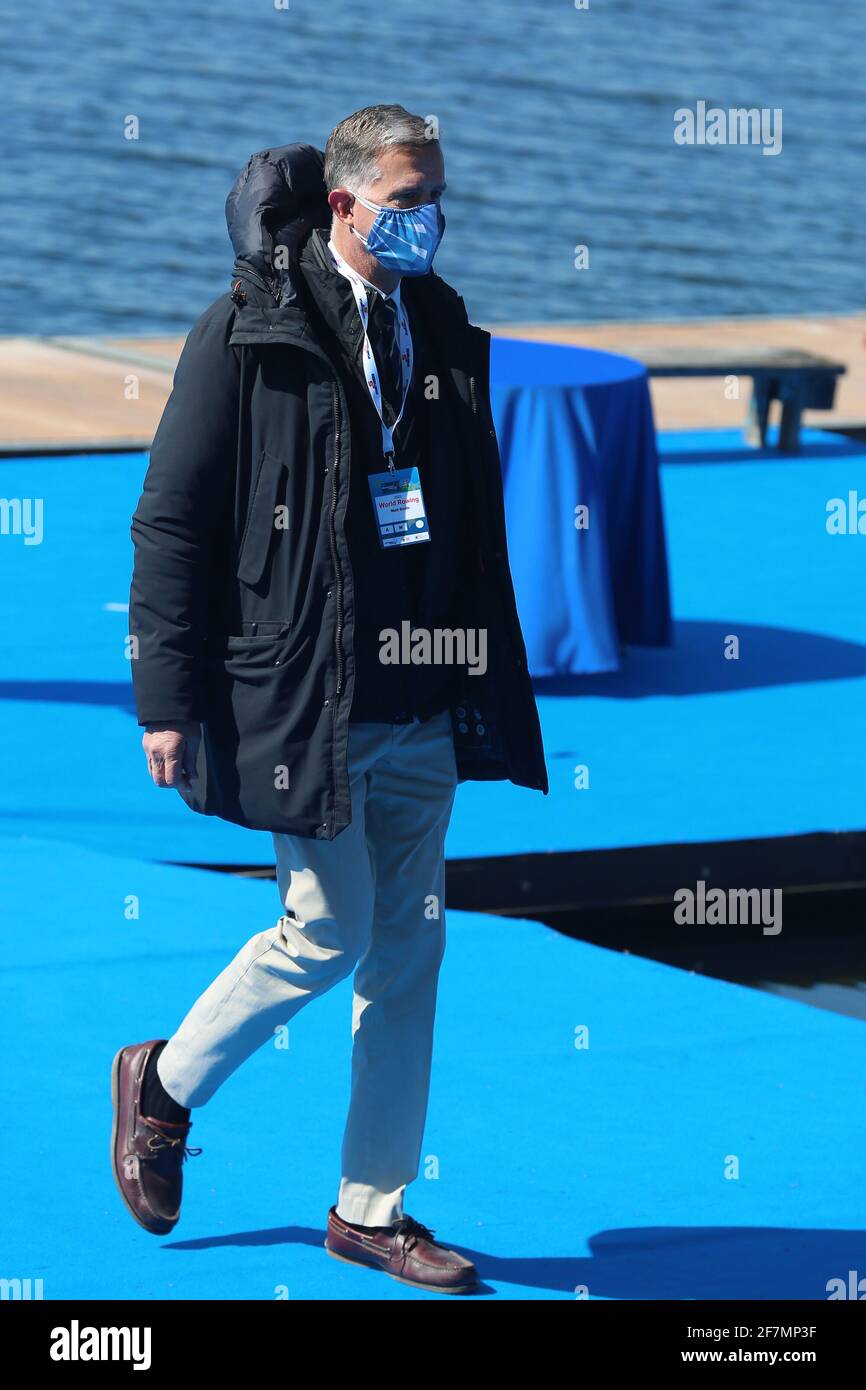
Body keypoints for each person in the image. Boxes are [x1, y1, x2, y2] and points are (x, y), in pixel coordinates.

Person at [112, 103, 547, 1295]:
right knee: (327, 929)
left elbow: (464, 518)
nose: (428, 220)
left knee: (410, 945)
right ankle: (161, 1084)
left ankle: (371, 1207)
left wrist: (477, 666)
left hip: (420, 687)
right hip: (301, 691)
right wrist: (167, 694)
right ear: (345, 204)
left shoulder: (442, 323)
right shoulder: (246, 329)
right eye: (407, 201)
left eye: (437, 198)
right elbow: (173, 520)